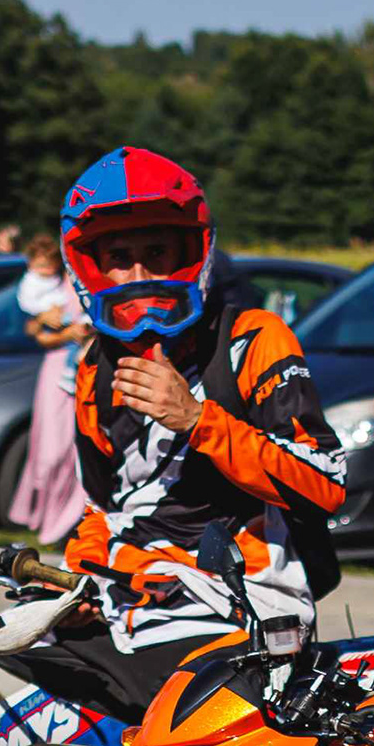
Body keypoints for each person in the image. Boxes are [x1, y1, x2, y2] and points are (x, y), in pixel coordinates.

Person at [40, 146, 347, 715]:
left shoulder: (252, 339)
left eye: (156, 253)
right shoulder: (94, 367)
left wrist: (197, 419)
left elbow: (324, 483)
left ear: (190, 252)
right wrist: (75, 581)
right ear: (90, 266)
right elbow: (103, 508)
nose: (139, 277)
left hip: (240, 607)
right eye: (120, 258)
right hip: (127, 602)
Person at [9, 230, 86, 541]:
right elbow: (35, 330)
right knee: (51, 449)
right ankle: (48, 516)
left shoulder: (78, 282)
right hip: (58, 369)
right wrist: (58, 329)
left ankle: (71, 518)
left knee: (77, 447)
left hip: (83, 366)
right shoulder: (50, 286)